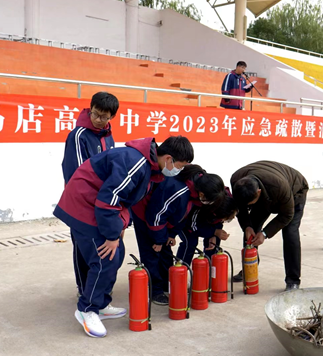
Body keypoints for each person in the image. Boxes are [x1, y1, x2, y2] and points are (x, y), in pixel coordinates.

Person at [53, 136, 193, 338]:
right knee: (105, 257)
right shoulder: (135, 162)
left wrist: (121, 224)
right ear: (169, 158)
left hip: (97, 206)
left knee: (117, 254)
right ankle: (87, 310)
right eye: (180, 166)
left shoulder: (148, 166)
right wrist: (111, 234)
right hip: (83, 205)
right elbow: (108, 201)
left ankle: (101, 304)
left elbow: (124, 200)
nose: (178, 171)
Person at [131, 165, 225, 306]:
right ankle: (155, 291)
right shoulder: (179, 190)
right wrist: (158, 239)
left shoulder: (195, 192)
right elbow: (155, 215)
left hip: (161, 218)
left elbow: (183, 216)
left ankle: (165, 284)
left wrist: (171, 235)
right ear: (202, 194)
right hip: (145, 214)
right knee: (152, 253)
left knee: (166, 253)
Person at [61, 91, 118, 300]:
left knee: (101, 248)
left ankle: (99, 289)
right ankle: (84, 290)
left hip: (99, 200)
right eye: (95, 114)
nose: (98, 120)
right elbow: (78, 174)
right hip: (80, 201)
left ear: (112, 117)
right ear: (90, 108)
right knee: (83, 247)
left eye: (104, 117)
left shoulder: (107, 134)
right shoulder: (78, 136)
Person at [230, 161, 309, 291]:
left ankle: (293, 280)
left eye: (251, 203)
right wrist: (247, 227)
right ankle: (250, 268)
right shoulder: (237, 179)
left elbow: (287, 215)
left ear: (258, 192)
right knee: (251, 232)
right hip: (267, 195)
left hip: (294, 192)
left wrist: (265, 233)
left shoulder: (280, 187)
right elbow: (241, 208)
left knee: (290, 233)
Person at [177, 190, 238, 265]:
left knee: (215, 240)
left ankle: (208, 268)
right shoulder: (200, 206)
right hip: (185, 221)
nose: (233, 217)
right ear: (215, 214)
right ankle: (181, 269)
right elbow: (193, 228)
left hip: (205, 218)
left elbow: (219, 221)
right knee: (190, 242)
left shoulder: (227, 201)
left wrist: (214, 234)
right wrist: (214, 231)